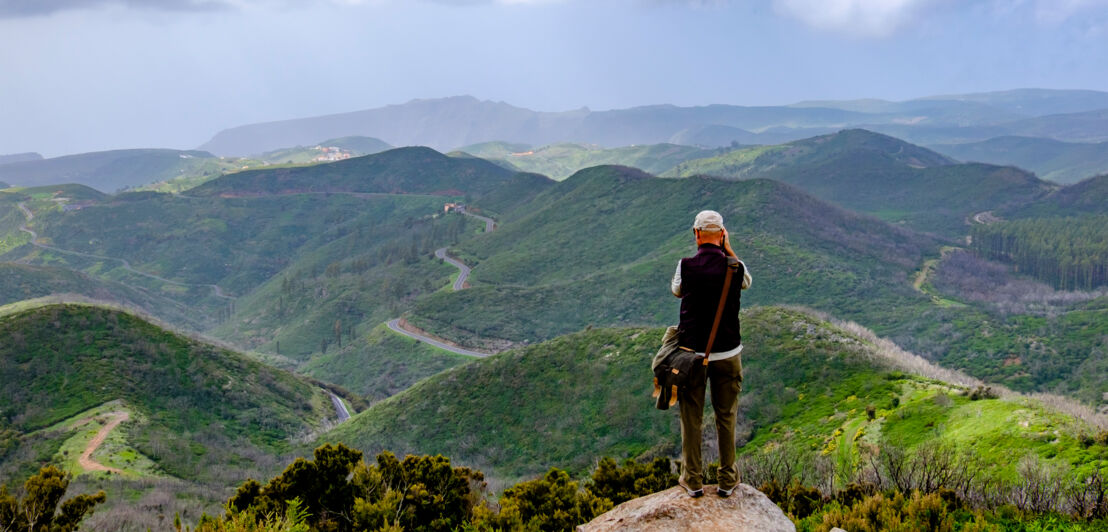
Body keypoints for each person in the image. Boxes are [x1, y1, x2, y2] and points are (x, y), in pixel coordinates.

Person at [670, 210, 751, 498]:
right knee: (726, 415)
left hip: (693, 355)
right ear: (722, 234)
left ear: (695, 234)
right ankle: (727, 479)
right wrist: (729, 251)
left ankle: (692, 480)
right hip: (728, 353)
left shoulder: (685, 266)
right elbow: (747, 282)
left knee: (691, 416)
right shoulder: (735, 267)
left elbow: (676, 291)